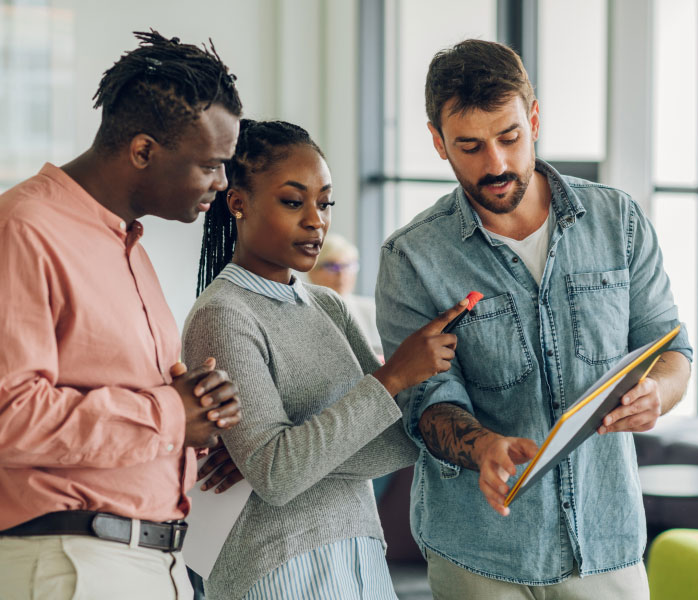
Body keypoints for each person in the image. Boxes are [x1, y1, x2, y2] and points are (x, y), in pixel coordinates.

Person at [375, 39, 693, 599]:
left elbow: (670, 348)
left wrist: (658, 393)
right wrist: (481, 447)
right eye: (469, 146)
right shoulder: (413, 258)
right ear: (437, 140)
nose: (495, 164)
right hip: (480, 551)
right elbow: (426, 404)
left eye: (509, 137)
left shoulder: (618, 220)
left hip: (605, 540)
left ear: (535, 118)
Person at [0, 31, 244, 599]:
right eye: (211, 164)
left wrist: (197, 413)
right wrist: (168, 414)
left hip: (152, 561)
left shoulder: (130, 247)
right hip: (71, 564)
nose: (223, 183)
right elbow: (10, 414)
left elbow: (136, 414)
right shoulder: (24, 230)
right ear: (142, 151)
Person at [183, 119, 469, 600]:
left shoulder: (330, 307)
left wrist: (285, 455)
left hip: (359, 559)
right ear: (238, 203)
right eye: (294, 201)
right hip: (278, 568)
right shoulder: (224, 315)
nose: (316, 219)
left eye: (325, 202)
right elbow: (277, 476)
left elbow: (396, 446)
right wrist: (392, 376)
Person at [309, 233, 384, 358]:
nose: (341, 274)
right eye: (332, 266)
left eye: (348, 266)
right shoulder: (298, 313)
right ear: (312, 271)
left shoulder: (373, 311)